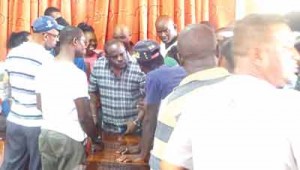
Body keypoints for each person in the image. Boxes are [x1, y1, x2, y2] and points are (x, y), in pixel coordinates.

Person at [161, 14, 300, 170]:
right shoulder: (291, 107)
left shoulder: (200, 102)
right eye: (286, 47)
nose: (295, 55)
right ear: (258, 55)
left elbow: (169, 165)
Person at [148, 24, 230, 170]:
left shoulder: (173, 103)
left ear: (179, 58)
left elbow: (159, 163)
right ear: (218, 51)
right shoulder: (249, 90)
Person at [1, 16, 63, 170]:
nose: (57, 40)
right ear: (45, 36)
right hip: (37, 124)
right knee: (37, 166)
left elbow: (5, 88)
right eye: (56, 36)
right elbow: (51, 95)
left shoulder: (13, 52)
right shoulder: (46, 59)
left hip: (15, 120)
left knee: (11, 165)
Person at [36, 26, 102, 170]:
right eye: (83, 41)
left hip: (46, 134)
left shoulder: (43, 69)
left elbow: (39, 105)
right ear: (75, 42)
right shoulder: (76, 74)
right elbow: (84, 116)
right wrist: (96, 138)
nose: (86, 45)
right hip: (69, 138)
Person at [116, 40, 186, 163]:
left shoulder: (153, 76)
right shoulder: (177, 68)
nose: (140, 68)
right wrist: (140, 147)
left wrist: (142, 155)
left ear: (142, 64)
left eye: (139, 64)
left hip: (172, 138)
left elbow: (150, 119)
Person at [89, 39, 145, 134]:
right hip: (107, 128)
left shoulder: (138, 66)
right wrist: (94, 117)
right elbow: (92, 92)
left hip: (133, 127)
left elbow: (147, 98)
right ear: (107, 57)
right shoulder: (99, 65)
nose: (120, 58)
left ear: (126, 51)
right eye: (114, 57)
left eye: (122, 54)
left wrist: (137, 122)